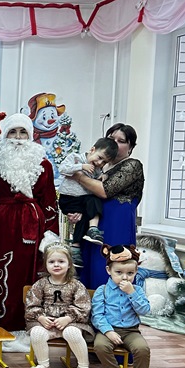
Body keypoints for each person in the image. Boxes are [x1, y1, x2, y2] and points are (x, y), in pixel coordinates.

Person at [0, 112, 59, 333]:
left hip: (31, 229)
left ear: (30, 135)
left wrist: (49, 234)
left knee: (27, 276)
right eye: (13, 132)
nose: (18, 138)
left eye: (23, 132)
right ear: (4, 135)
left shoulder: (43, 164)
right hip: (0, 227)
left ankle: (26, 325)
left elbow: (49, 202)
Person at [71, 124, 145, 290]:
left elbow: (104, 191)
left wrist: (78, 176)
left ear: (130, 147)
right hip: (94, 225)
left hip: (117, 226)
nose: (115, 143)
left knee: (112, 267)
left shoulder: (133, 165)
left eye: (121, 141)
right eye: (111, 139)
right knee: (88, 266)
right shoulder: (99, 165)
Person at [24, 236, 93, 368]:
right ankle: (43, 365)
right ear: (46, 264)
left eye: (61, 261)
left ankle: (83, 367)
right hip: (46, 322)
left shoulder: (76, 285)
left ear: (69, 264)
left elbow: (83, 305)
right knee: (37, 333)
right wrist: (41, 317)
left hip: (71, 322)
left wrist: (68, 318)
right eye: (51, 262)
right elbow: (31, 304)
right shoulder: (40, 284)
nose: (56, 265)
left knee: (72, 332)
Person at [91, 244, 152, 368]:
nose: (125, 277)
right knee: (100, 346)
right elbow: (97, 315)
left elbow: (145, 310)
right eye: (119, 272)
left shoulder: (137, 290)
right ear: (109, 271)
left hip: (131, 331)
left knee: (142, 349)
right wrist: (108, 331)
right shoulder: (102, 290)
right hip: (108, 330)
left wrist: (131, 293)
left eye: (130, 273)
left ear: (136, 272)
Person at [57, 137, 119, 266]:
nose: (100, 163)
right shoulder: (75, 158)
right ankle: (77, 244)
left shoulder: (97, 169)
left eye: (104, 162)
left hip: (83, 199)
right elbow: (62, 169)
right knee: (86, 208)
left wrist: (101, 176)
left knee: (91, 206)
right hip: (68, 197)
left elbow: (94, 180)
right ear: (92, 150)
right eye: (99, 157)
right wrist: (80, 166)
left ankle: (84, 237)